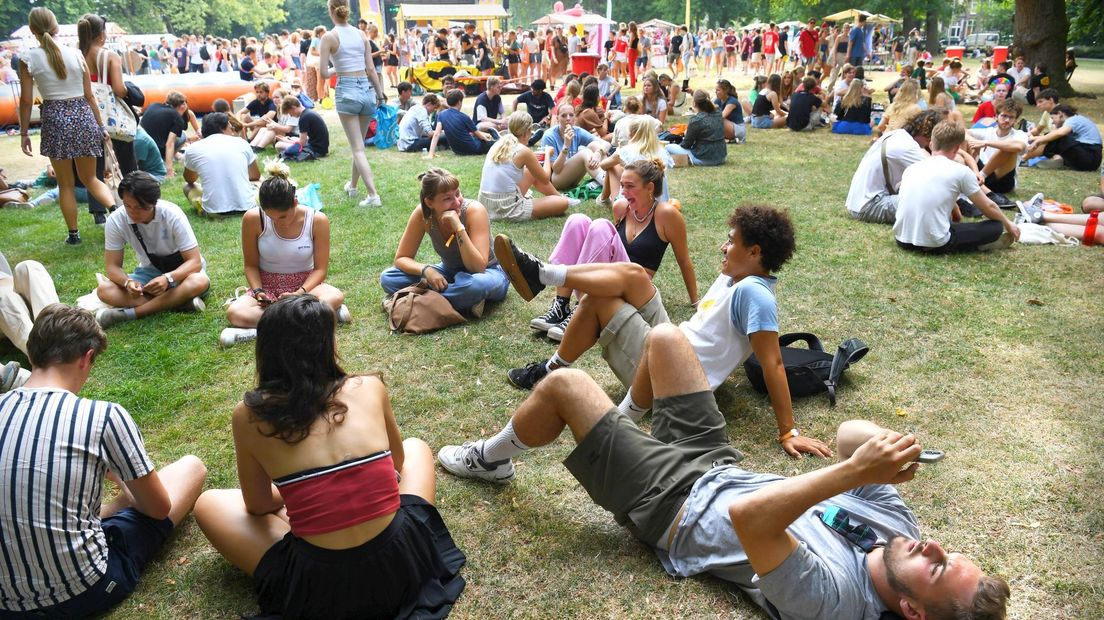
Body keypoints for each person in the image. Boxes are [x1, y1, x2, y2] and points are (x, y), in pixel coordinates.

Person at [439, 327, 1011, 619]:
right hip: (717, 461)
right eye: (948, 552)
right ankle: (616, 432)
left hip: (674, 504)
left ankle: (492, 457)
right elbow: (847, 438)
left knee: (565, 386)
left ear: (911, 611)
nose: (931, 547)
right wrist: (888, 449)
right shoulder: (897, 537)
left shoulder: (837, 603)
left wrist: (847, 476)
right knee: (666, 340)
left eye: (936, 569)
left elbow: (751, 520)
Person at [195, 295, 465, 618]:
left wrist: (304, 496)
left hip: (320, 586)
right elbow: (397, 464)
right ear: (329, 344)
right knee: (417, 447)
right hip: (399, 566)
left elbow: (256, 505)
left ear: (265, 351)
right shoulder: (370, 386)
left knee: (208, 504)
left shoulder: (250, 415)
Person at [495, 203, 840, 454]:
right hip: (672, 345)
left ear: (754, 252)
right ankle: (543, 276)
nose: (723, 246)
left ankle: (546, 311)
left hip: (674, 378)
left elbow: (773, 365)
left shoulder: (755, 294)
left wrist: (788, 432)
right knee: (633, 274)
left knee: (598, 302)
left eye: (731, 241)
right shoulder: (734, 277)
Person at [0, 303, 206, 617]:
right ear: (87, 358)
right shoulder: (103, 417)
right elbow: (157, 509)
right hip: (81, 590)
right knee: (191, 467)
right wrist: (119, 478)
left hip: (6, 602)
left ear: (31, 355)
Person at [17, 7, 117, 245]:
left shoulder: (27, 58)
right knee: (91, 178)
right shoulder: (76, 54)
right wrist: (101, 126)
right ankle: (118, 213)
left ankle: (74, 235)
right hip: (83, 115)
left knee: (66, 185)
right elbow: (90, 95)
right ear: (57, 27)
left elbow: (26, 100)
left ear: (32, 30)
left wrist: (23, 133)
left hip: (55, 118)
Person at [220, 164, 347, 347]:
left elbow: (320, 269)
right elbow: (250, 265)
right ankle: (316, 320)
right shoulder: (252, 218)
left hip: (305, 287)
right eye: (269, 217)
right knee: (235, 312)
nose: (275, 222)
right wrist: (258, 292)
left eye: (282, 217)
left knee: (334, 296)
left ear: (295, 203)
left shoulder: (317, 220)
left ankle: (262, 331)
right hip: (267, 287)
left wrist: (298, 294)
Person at [380, 169, 509, 317]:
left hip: (488, 272)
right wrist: (427, 270)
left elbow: (477, 267)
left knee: (474, 286)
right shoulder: (423, 215)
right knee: (389, 277)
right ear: (429, 202)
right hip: (449, 272)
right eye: (447, 198)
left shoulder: (474, 210)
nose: (457, 202)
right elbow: (401, 258)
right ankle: (462, 300)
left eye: (458, 194)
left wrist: (459, 228)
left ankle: (417, 300)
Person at [95, 172, 211, 327]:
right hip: (149, 273)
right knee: (104, 290)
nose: (132, 212)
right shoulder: (116, 220)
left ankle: (131, 314)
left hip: (182, 273)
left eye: (140, 207)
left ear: (154, 202)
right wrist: (128, 282)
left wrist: (168, 278)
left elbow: (194, 262)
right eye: (128, 205)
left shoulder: (171, 214)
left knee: (199, 281)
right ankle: (179, 302)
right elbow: (112, 267)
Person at [894, 121, 1020, 254]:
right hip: (934, 243)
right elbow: (988, 207)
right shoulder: (961, 171)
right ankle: (978, 246)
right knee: (996, 226)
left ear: (931, 144)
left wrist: (957, 216)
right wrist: (1008, 224)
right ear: (956, 149)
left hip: (902, 239)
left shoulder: (912, 168)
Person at [319, 0, 386, 207]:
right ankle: (353, 186)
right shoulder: (361, 34)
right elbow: (371, 69)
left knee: (357, 148)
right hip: (366, 90)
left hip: (347, 90)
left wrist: (337, 68)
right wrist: (380, 93)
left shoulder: (329, 37)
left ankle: (373, 195)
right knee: (359, 146)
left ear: (331, 10)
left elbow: (323, 73)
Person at [78, 13, 136, 224]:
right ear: (101, 34)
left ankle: (98, 211)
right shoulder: (110, 56)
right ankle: (131, 200)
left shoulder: (77, 55)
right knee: (125, 159)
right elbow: (120, 90)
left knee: (94, 167)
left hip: (87, 114)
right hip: (111, 117)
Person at [846, 109, 945, 224]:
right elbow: (938, 177)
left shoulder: (897, 135)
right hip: (869, 206)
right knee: (930, 200)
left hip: (859, 202)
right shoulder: (907, 147)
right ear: (927, 133)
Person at [478, 111, 578, 222]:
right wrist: (547, 155)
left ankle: (560, 196)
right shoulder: (524, 151)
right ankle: (563, 199)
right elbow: (545, 179)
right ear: (526, 132)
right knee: (562, 204)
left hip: (485, 203)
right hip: (505, 209)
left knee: (531, 172)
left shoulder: (500, 143)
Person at [183, 112, 261, 215]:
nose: (232, 132)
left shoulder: (192, 149)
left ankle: (205, 204)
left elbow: (190, 179)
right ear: (223, 128)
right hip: (246, 206)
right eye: (231, 128)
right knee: (260, 182)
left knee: (187, 186)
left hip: (213, 210)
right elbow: (255, 176)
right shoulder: (241, 143)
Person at [599, 117, 675, 205]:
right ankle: (603, 199)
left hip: (631, 207)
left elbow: (603, 165)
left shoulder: (625, 151)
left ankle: (603, 199)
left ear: (632, 134)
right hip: (661, 204)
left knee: (613, 166)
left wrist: (603, 155)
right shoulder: (662, 151)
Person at [0, 252, 59, 361]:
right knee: (4, 296)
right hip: (4, 305)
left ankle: (59, 331)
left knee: (28, 267)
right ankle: (43, 357)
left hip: (12, 291)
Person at [541, 103, 610, 191]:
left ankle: (609, 178)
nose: (568, 119)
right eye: (564, 116)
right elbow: (556, 169)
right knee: (584, 152)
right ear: (557, 118)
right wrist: (566, 146)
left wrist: (598, 153)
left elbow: (607, 144)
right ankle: (608, 185)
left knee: (594, 145)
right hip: (556, 179)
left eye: (571, 115)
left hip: (573, 177)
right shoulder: (549, 136)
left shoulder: (577, 131)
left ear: (575, 118)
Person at [967, 99, 1028, 196]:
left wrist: (985, 143)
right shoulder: (988, 131)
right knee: (964, 140)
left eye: (1011, 117)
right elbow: (963, 132)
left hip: (1002, 180)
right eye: (1004, 116)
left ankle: (980, 177)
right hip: (981, 170)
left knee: (1009, 149)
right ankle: (973, 177)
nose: (1007, 120)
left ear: (1016, 120)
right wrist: (975, 142)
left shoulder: (1020, 135)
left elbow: (1019, 146)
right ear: (996, 117)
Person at [1027, 104, 1103, 171]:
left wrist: (1038, 141)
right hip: (1091, 159)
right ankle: (1058, 159)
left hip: (1090, 157)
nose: (1052, 122)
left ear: (1060, 114)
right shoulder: (1077, 119)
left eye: (1053, 118)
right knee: (1053, 136)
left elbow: (1059, 133)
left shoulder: (1072, 120)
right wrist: (1036, 138)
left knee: (1057, 137)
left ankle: (1024, 159)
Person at [140, 91, 193, 181]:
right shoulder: (177, 117)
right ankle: (163, 161)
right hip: (154, 151)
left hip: (139, 145)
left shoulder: (154, 105)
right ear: (183, 105)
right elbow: (170, 144)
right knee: (182, 136)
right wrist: (169, 171)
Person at [665, 91, 727, 167]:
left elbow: (686, 145)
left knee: (668, 147)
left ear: (694, 103)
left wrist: (686, 133)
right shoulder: (718, 112)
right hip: (721, 157)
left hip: (702, 159)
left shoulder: (696, 120)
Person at [438, 89, 497, 156]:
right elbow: (479, 136)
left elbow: (436, 134)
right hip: (473, 149)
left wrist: (431, 154)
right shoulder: (464, 117)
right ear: (459, 102)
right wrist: (489, 140)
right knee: (495, 143)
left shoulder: (441, 114)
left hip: (457, 150)